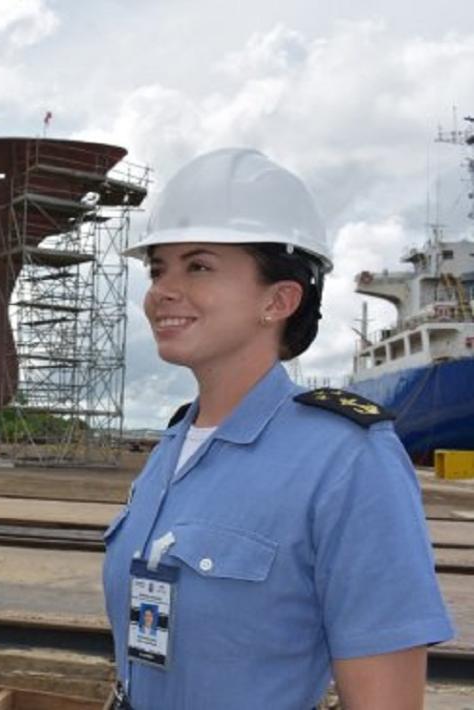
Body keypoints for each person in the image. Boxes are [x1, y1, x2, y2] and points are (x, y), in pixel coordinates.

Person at [100, 148, 453, 709]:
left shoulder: (348, 460)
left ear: (279, 299)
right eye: (157, 268)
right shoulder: (172, 447)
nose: (162, 290)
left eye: (198, 266)